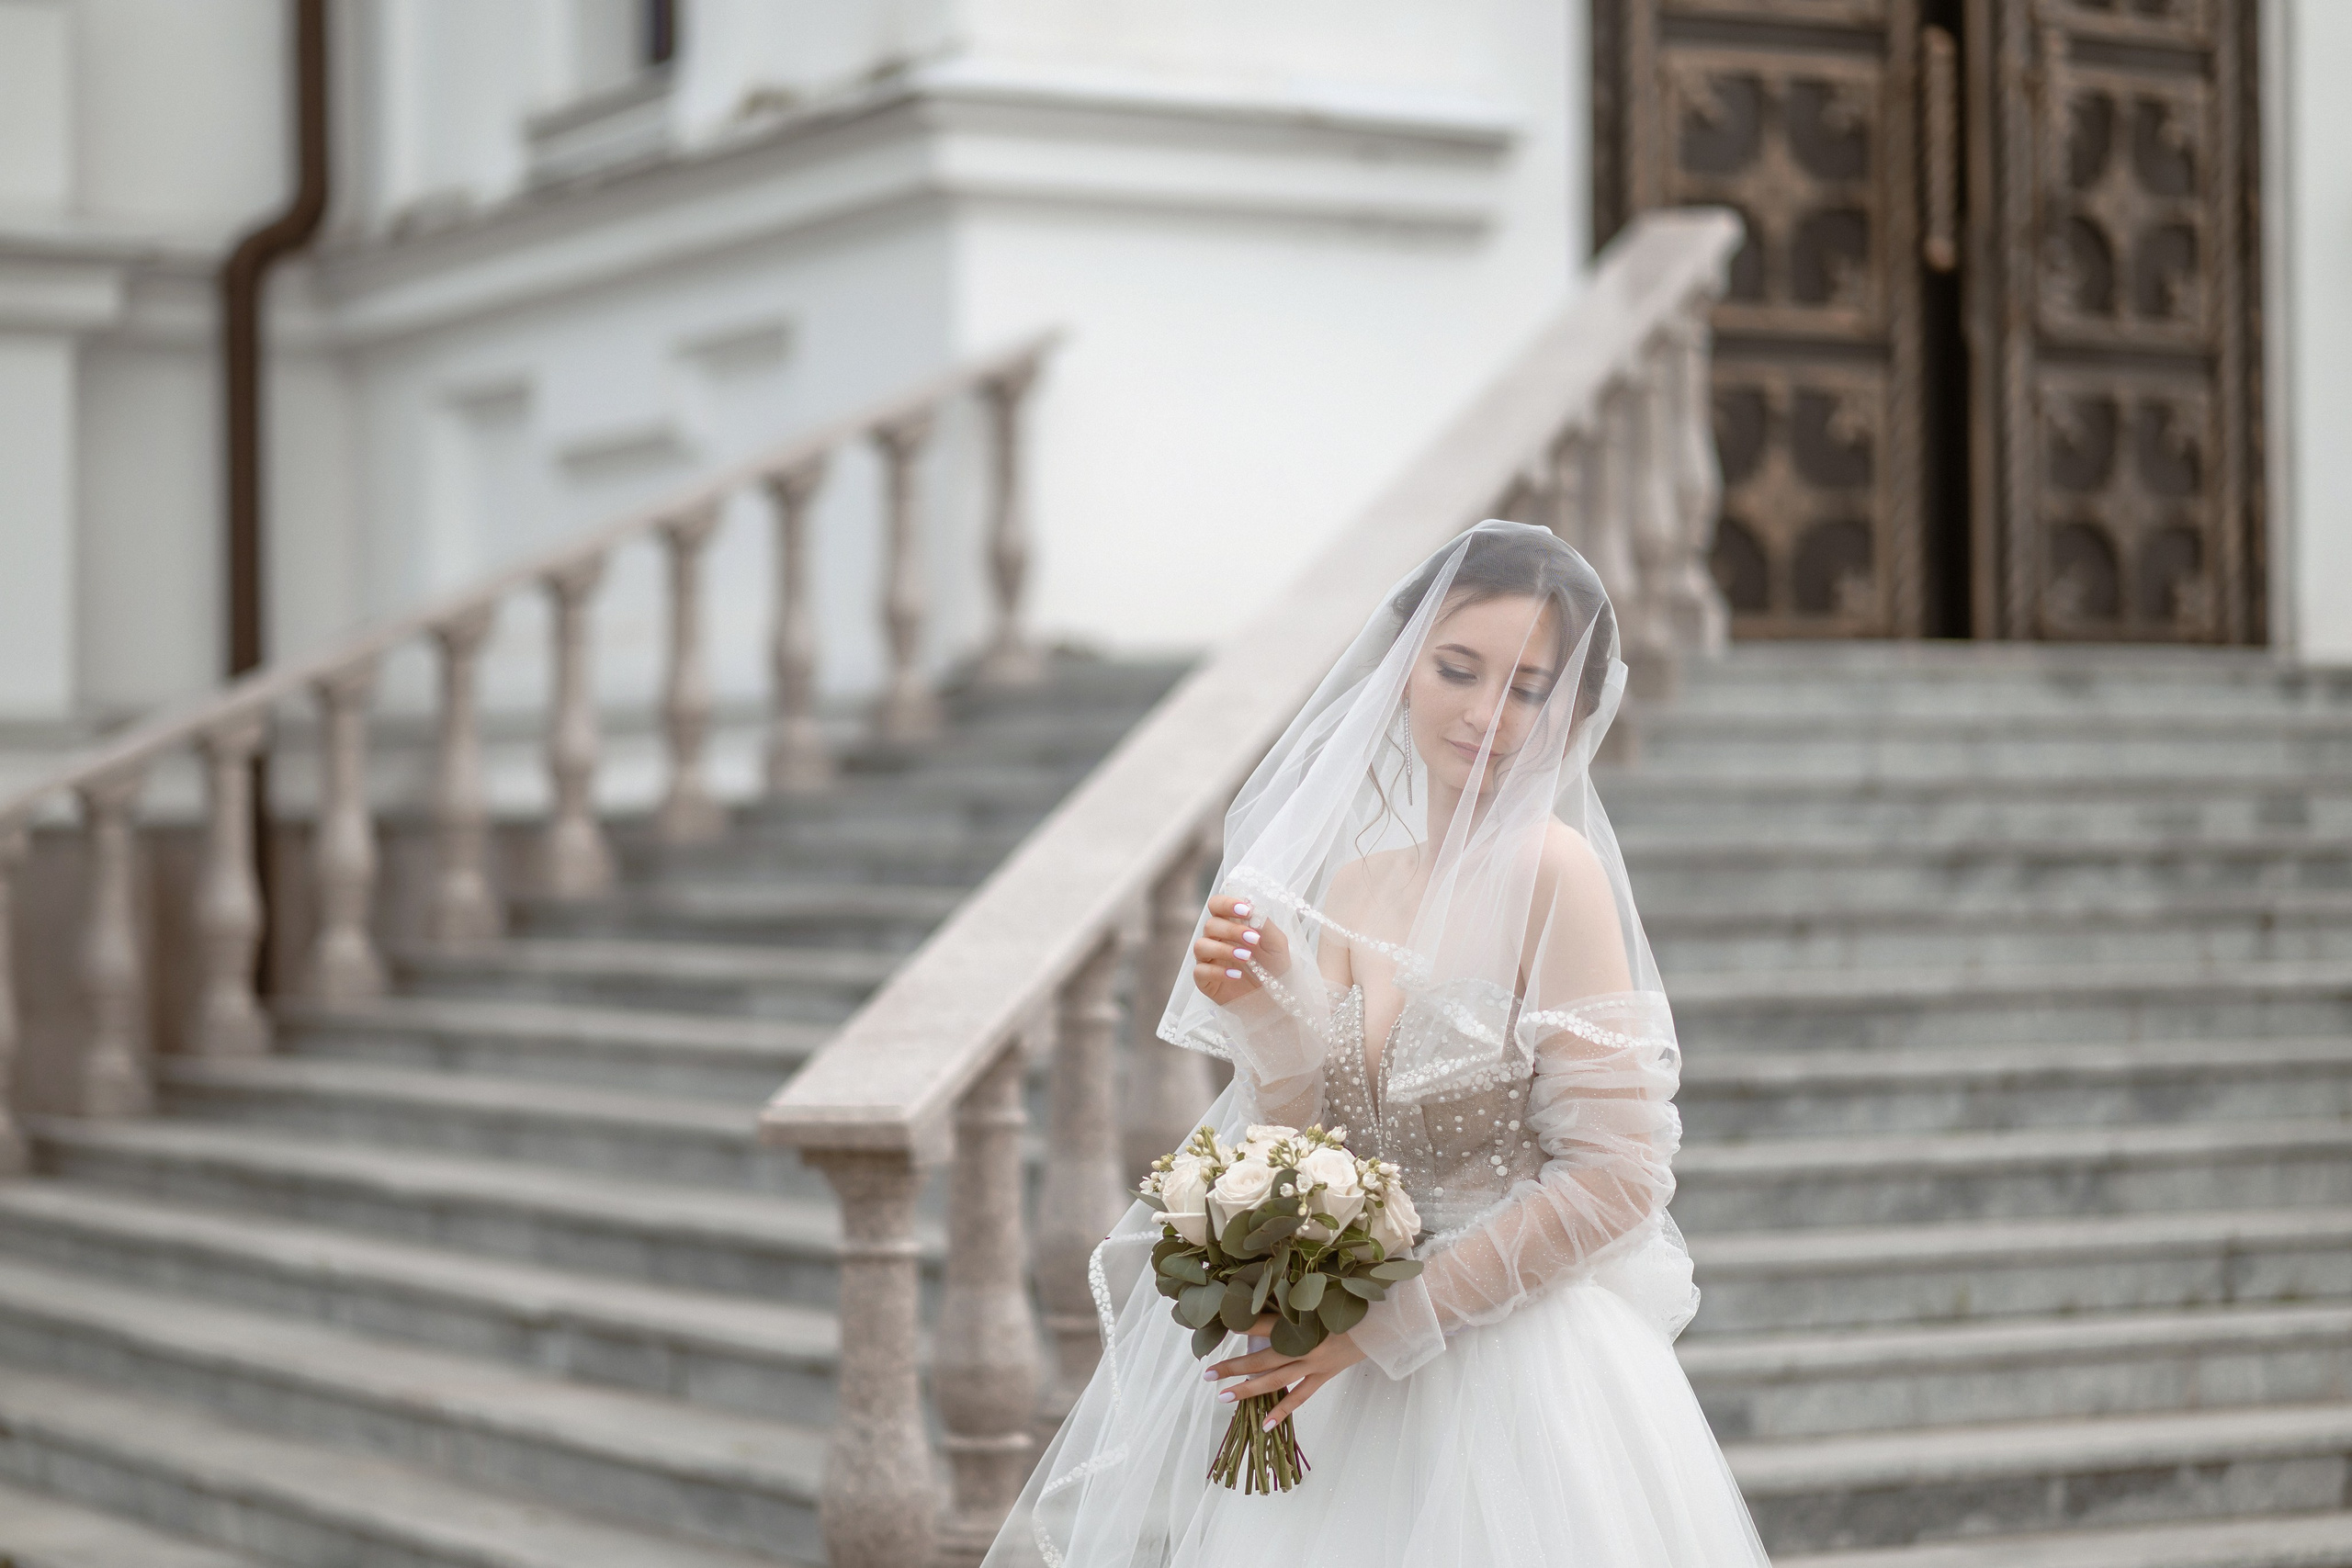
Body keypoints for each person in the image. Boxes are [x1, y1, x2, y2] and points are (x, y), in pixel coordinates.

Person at [982, 520, 1772, 1567]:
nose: (1485, 713)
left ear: (1573, 710)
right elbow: (1324, 1143)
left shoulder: (1555, 872)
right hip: (1350, 1383)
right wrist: (1268, 1007)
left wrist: (1380, 1329)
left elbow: (1618, 1180)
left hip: (1518, 1384)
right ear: (1402, 672)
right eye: (1458, 669)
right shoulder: (1358, 887)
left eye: (1528, 688)